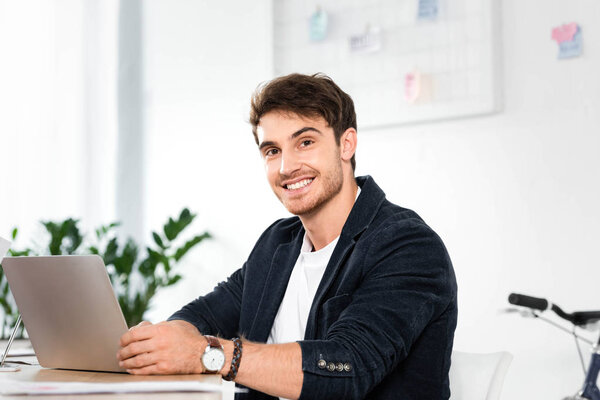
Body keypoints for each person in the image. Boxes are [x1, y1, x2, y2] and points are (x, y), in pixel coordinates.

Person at [117, 73, 458, 400]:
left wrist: (210, 355)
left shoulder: (408, 245)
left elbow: (349, 366)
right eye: (272, 151)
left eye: (305, 142)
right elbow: (203, 316)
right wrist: (163, 343)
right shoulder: (278, 244)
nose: (286, 167)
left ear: (347, 144)